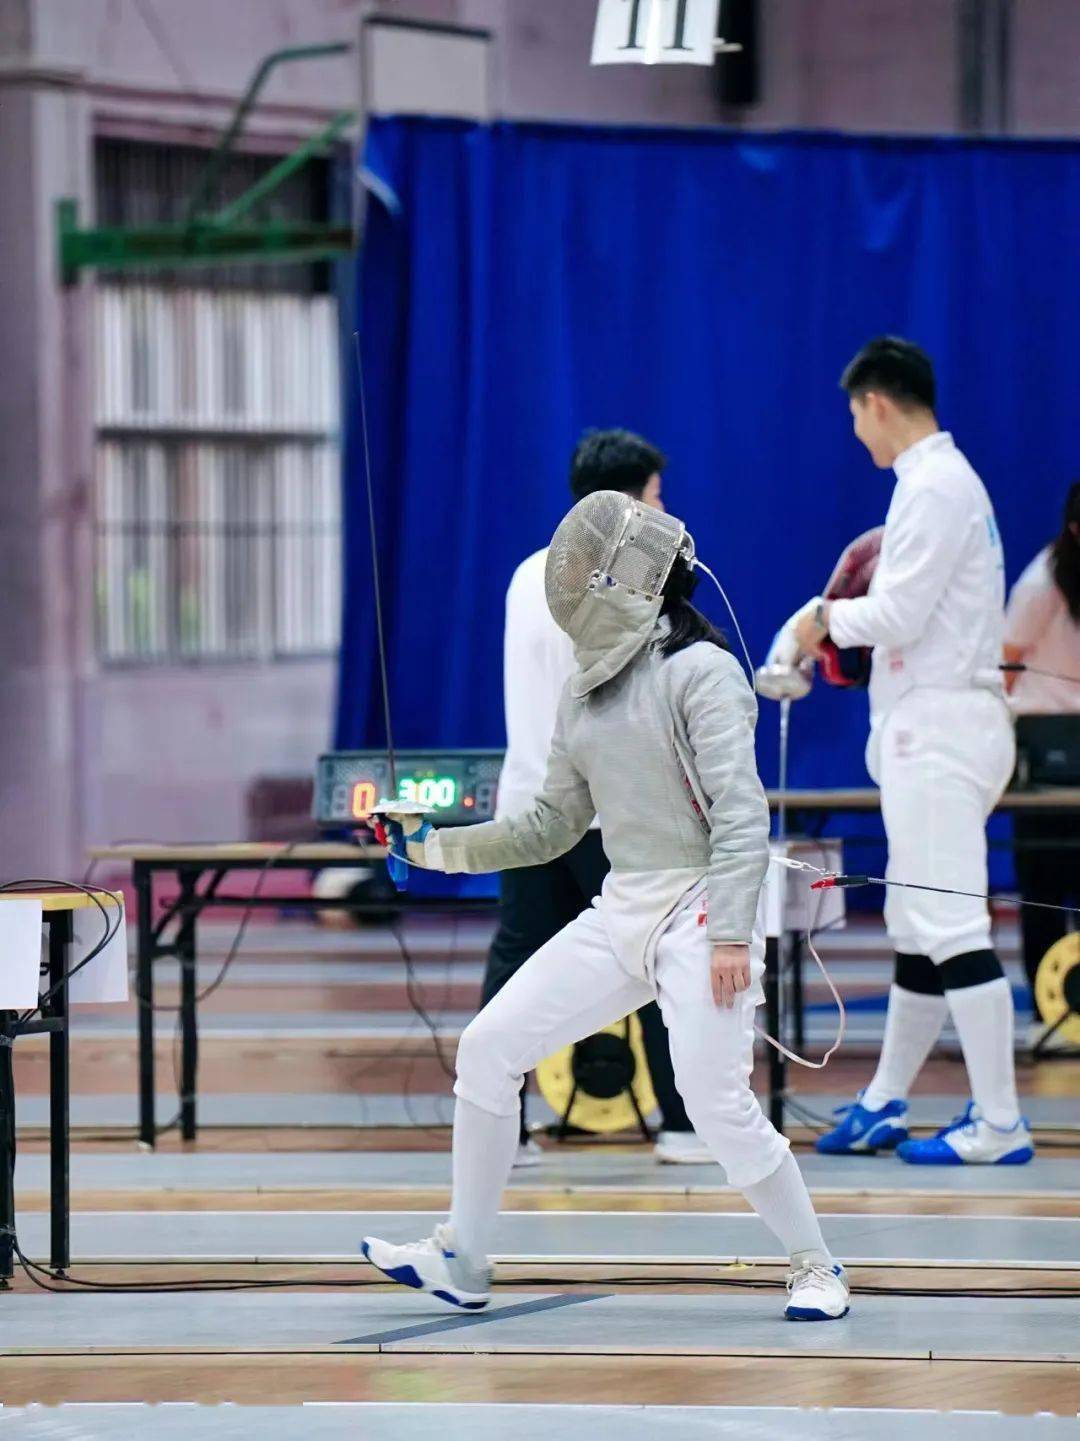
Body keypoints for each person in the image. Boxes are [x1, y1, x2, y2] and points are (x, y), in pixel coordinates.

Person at [362, 490, 850, 1322]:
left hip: (702, 913)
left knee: (713, 1099)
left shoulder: (703, 672)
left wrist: (733, 933)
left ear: (629, 580)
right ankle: (464, 1257)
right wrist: (432, 844)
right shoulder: (584, 696)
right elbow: (549, 825)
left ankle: (817, 1264)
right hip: (623, 908)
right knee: (487, 1047)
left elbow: (740, 815)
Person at [795, 336, 1033, 1166]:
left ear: (878, 404)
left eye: (857, 415)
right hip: (935, 726)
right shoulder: (933, 485)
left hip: (941, 732)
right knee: (916, 922)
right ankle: (887, 1097)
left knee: (951, 922)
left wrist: (821, 618)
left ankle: (1000, 1122)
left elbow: (894, 615)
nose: (858, 433)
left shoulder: (934, 486)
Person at [491, 429, 710, 1166]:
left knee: (517, 961)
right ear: (622, 502)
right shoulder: (615, 583)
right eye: (653, 496)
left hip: (527, 804)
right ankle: (682, 1123)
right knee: (653, 957)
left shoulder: (528, 574)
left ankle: (505, 1126)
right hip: (599, 812)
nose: (663, 507)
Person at [1003, 482, 1080, 1045]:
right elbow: (1004, 667)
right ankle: (1046, 1017)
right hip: (1042, 752)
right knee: (1044, 891)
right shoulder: (1038, 585)